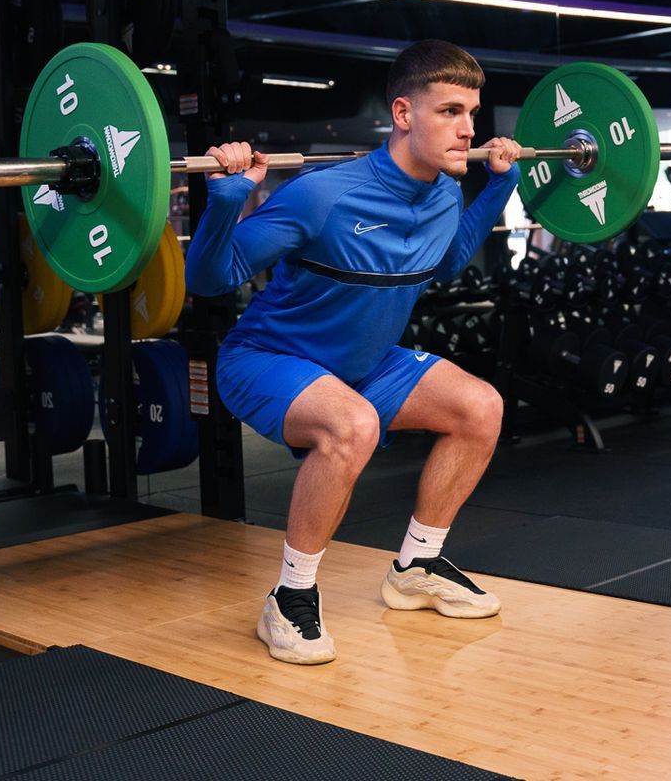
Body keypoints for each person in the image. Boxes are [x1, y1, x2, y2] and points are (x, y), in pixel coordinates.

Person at [185, 39, 520, 665]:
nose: (468, 128)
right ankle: (289, 599)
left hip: (364, 364)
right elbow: (209, 278)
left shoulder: (446, 194)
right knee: (352, 425)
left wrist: (501, 188)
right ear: (402, 114)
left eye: (472, 113)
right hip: (266, 358)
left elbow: (446, 262)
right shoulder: (321, 194)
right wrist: (227, 198)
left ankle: (416, 566)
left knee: (480, 407)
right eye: (449, 111)